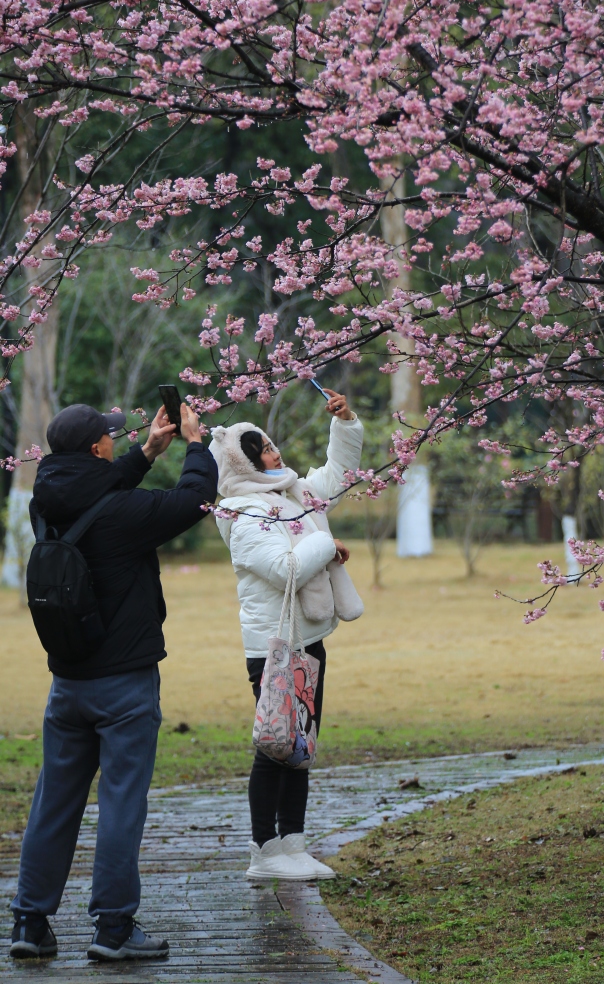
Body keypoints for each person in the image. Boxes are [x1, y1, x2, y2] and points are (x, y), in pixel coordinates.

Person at [10, 401, 218, 962]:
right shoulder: (125, 515)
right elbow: (193, 499)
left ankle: (30, 923)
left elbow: (94, 495)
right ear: (99, 447)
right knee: (122, 804)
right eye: (110, 435)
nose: (114, 439)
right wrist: (196, 447)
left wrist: (147, 452)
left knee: (54, 801)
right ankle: (113, 929)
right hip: (123, 683)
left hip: (68, 683)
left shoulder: (44, 501)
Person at [210, 388, 364, 881]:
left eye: (272, 446)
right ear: (246, 465)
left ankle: (293, 844)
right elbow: (285, 567)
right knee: (274, 744)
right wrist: (324, 541)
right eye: (266, 451)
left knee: (299, 745)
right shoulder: (246, 513)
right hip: (272, 649)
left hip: (308, 639)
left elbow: (337, 476)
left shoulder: (289, 496)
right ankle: (264, 852)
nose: (277, 454)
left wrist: (346, 422)